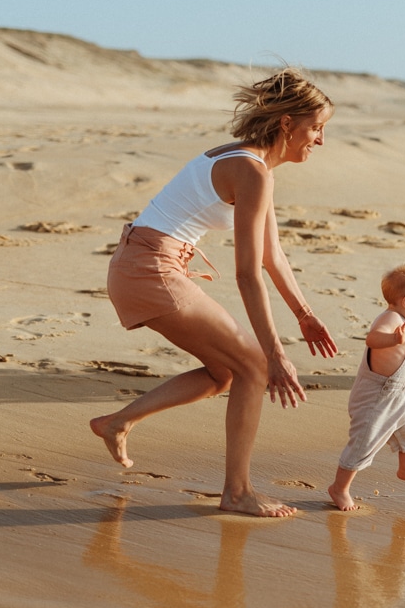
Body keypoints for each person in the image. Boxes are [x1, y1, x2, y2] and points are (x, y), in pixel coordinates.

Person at [89, 68, 340, 518]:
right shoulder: (251, 171)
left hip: (144, 264)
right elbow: (247, 275)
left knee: (225, 373)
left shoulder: (253, 166)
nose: (320, 140)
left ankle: (117, 422)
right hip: (151, 268)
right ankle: (238, 492)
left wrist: (304, 314)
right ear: (287, 124)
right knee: (255, 366)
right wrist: (276, 351)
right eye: (316, 128)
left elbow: (271, 255)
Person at [327, 263, 405, 511]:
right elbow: (373, 338)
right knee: (363, 443)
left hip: (397, 400)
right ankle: (339, 489)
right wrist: (393, 339)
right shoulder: (391, 319)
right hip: (375, 399)